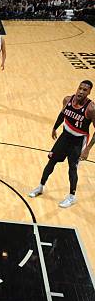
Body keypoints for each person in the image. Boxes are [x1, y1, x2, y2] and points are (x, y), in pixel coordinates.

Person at [29, 80, 95, 208]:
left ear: (89, 92)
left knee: (72, 168)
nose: (81, 91)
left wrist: (87, 149)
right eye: (80, 88)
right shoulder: (67, 99)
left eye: (85, 90)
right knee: (51, 161)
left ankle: (72, 197)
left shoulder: (91, 108)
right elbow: (62, 114)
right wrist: (55, 127)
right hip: (64, 136)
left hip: (78, 140)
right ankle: (40, 187)